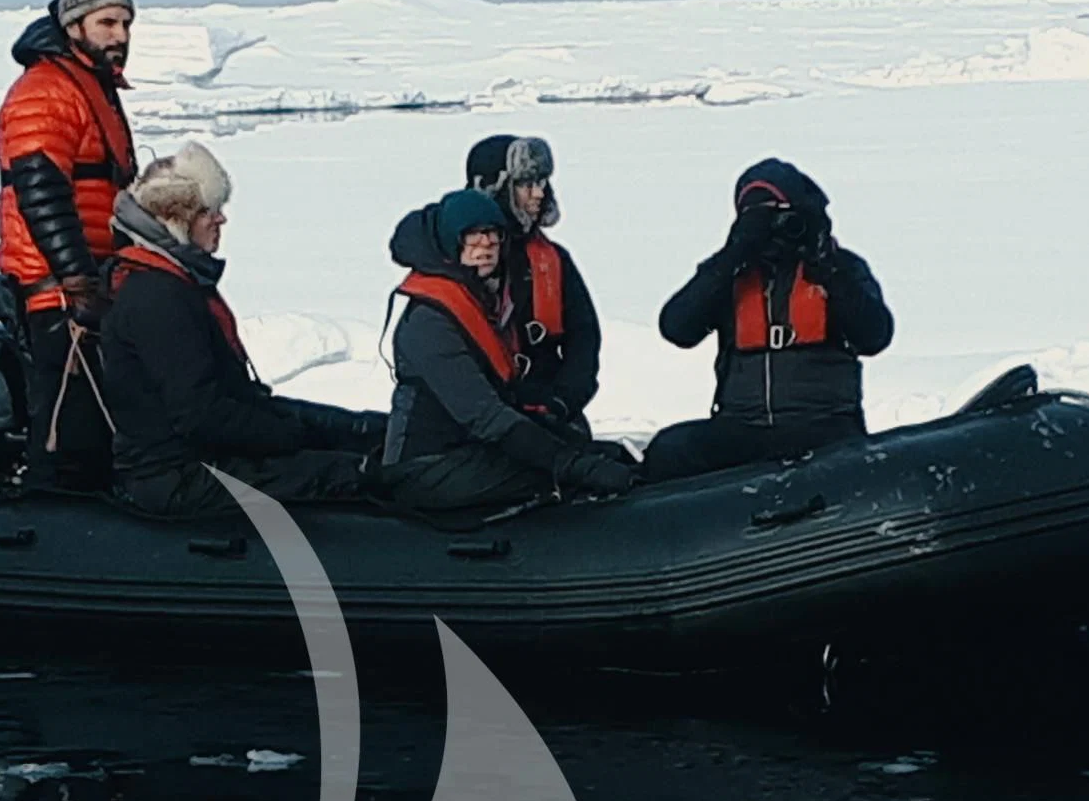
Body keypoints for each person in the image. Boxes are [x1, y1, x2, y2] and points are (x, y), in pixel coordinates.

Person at [91, 146, 382, 516]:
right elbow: (199, 414)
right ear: (176, 220)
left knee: (355, 432)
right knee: (349, 473)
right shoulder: (157, 297)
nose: (220, 220)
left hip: (200, 456)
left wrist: (294, 426)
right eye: (207, 212)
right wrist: (286, 436)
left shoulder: (172, 283)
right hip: (178, 473)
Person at [378, 186, 640, 518]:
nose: (485, 245)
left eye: (492, 235)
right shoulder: (429, 323)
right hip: (425, 468)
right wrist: (572, 465)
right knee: (552, 474)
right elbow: (486, 417)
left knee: (594, 454)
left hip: (470, 449)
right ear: (450, 241)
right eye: (473, 236)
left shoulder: (483, 301)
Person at [646, 157, 894, 479]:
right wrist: (733, 255)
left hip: (825, 424)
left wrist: (829, 270)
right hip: (741, 427)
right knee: (669, 450)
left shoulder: (841, 267)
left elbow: (875, 336)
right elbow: (677, 328)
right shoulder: (730, 276)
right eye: (757, 219)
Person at [0, 0, 141, 483]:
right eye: (107, 22)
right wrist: (77, 280)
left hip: (96, 283)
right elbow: (42, 193)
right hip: (57, 294)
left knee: (102, 423)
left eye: (125, 23)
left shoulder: (90, 88)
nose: (119, 35)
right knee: (67, 426)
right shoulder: (46, 92)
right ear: (74, 25)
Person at [463, 133, 599, 430]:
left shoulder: (553, 260)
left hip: (550, 407)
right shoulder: (460, 261)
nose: (539, 193)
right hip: (481, 416)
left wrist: (563, 401)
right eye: (526, 184)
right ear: (495, 189)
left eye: (542, 183)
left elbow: (584, 338)